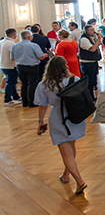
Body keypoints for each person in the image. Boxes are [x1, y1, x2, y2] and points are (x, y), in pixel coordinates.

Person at [33, 56, 88, 194]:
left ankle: (79, 181)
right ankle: (66, 174)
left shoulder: (44, 85)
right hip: (74, 116)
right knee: (71, 147)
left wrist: (40, 122)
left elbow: (42, 105)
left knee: (66, 152)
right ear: (65, 66)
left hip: (58, 117)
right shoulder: (73, 79)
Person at [10, 30, 45, 108]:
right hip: (32, 67)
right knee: (32, 85)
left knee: (24, 84)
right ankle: (32, 102)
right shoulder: (34, 45)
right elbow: (40, 57)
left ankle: (25, 102)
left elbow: (12, 58)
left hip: (20, 67)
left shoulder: (14, 46)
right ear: (29, 37)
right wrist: (44, 55)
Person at [1, 29, 21, 105]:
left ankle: (16, 97)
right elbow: (12, 55)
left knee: (12, 82)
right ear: (14, 34)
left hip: (3, 65)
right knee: (10, 83)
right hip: (10, 66)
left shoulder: (1, 41)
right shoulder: (11, 43)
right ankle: (7, 100)